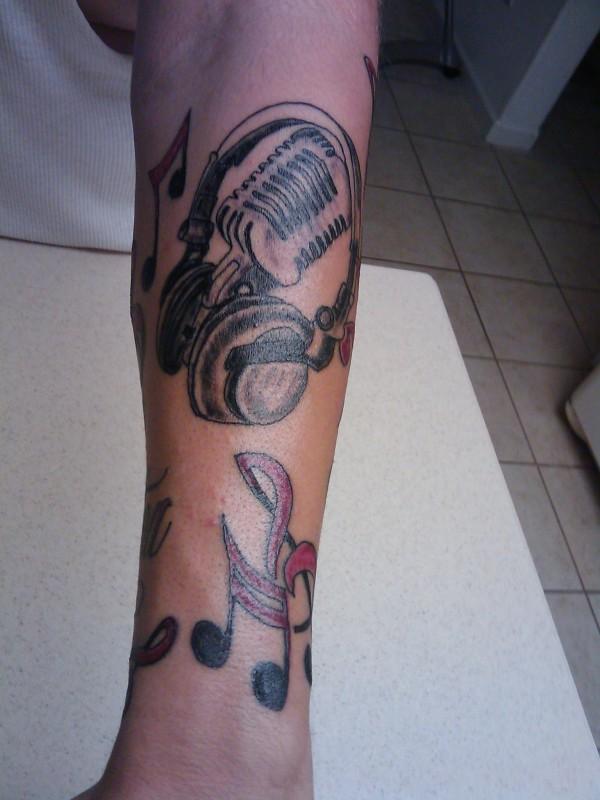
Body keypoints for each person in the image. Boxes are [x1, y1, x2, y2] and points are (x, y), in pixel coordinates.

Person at [72, 2, 379, 798]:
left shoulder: (255, 299)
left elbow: (264, 16)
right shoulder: (210, 275)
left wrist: (219, 742)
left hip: (112, 215)